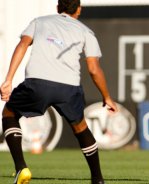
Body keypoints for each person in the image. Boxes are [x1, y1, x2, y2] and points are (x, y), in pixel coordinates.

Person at [0, 0, 117, 183]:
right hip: (68, 89)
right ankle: (98, 179)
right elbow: (94, 69)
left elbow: (22, 45)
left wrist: (8, 80)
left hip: (37, 83)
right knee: (81, 128)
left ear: (57, 7)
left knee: (9, 113)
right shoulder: (86, 31)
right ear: (79, 9)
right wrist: (107, 97)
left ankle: (21, 168)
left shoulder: (40, 21)